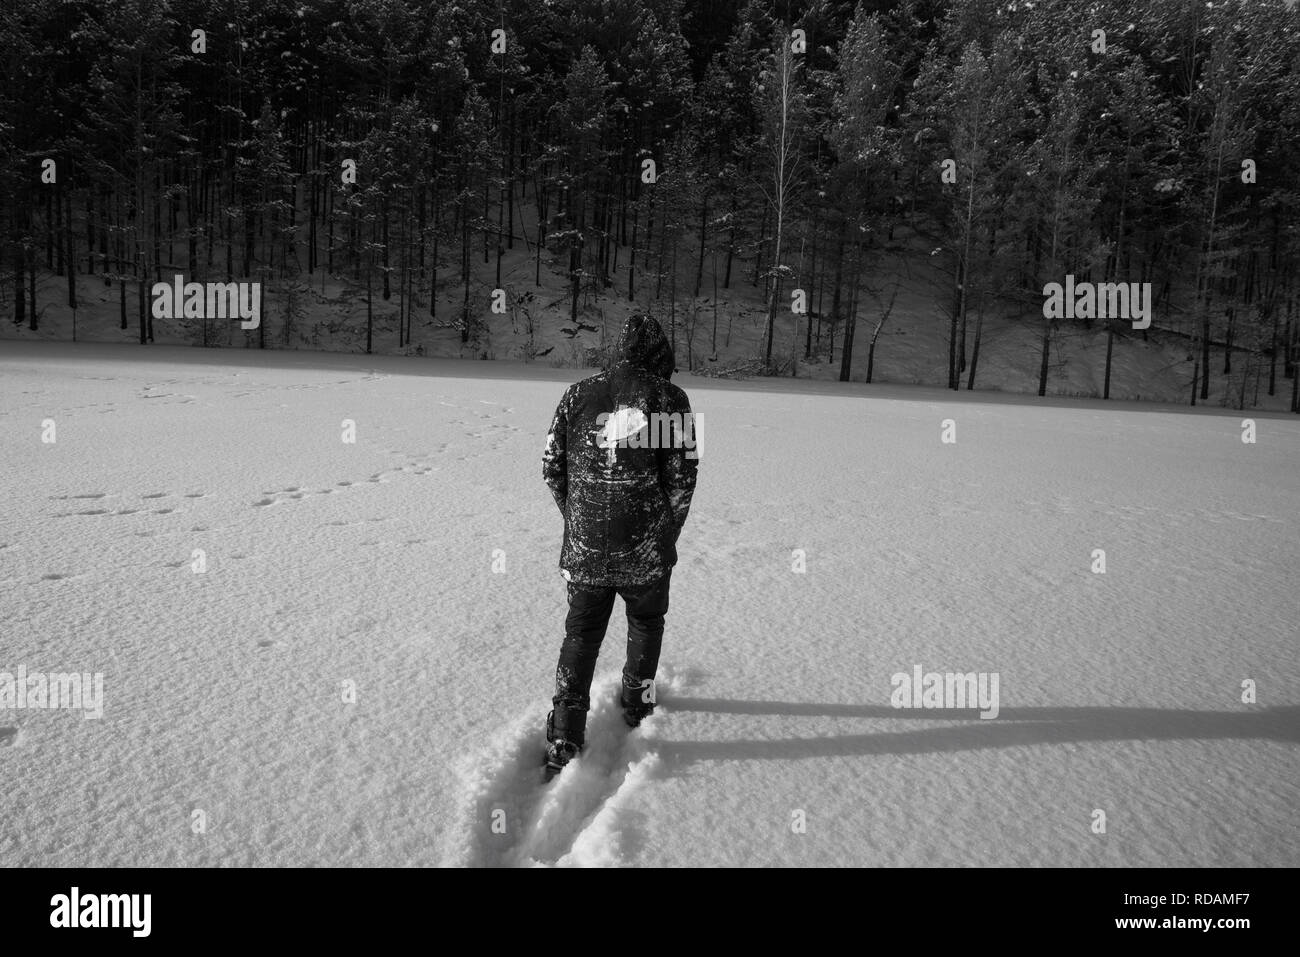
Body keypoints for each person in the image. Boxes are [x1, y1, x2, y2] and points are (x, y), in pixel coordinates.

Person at [540, 314, 699, 776]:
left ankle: (566, 733)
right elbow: (682, 481)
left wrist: (578, 518)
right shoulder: (672, 399)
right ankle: (637, 704)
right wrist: (664, 533)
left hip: (586, 546)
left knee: (581, 633)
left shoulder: (578, 393)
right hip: (645, 546)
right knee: (647, 623)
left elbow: (552, 466)